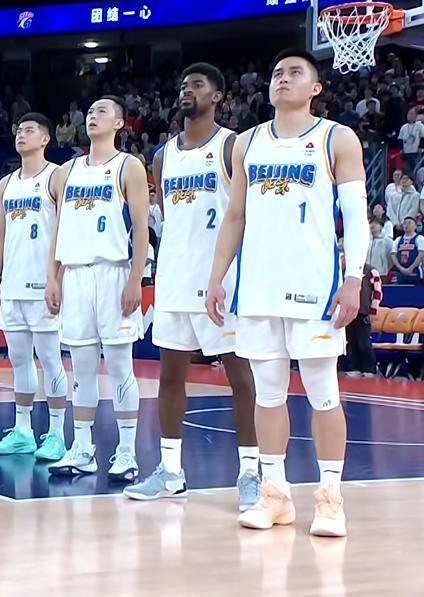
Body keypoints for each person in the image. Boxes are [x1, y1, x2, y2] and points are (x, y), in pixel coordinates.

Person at [206, 49, 368, 538]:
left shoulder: (337, 138)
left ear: (315, 88)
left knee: (323, 393)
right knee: (268, 395)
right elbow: (235, 216)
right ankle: (275, 494)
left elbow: (355, 217)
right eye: (277, 72)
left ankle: (331, 497)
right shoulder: (247, 142)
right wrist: (216, 277)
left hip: (315, 288)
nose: (283, 78)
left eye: (295, 73)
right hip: (258, 288)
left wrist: (354, 278)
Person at [126, 64, 258, 505]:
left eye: (197, 85)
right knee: (170, 377)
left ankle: (251, 473)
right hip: (174, 279)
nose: (187, 90)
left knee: (240, 377)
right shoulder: (162, 156)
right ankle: (170, 471)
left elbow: (243, 213)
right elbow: (169, 215)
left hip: (220, 281)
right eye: (183, 85)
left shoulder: (232, 146)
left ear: (218, 96)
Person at [44, 96, 150, 480]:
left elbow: (141, 228)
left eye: (102, 111)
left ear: (120, 123)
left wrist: (135, 279)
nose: (92, 116)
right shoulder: (65, 172)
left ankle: (127, 452)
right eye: (89, 111)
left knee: (120, 366)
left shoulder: (128, 166)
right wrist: (53, 276)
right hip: (74, 274)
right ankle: (82, 448)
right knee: (82, 368)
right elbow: (59, 228)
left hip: (113, 272)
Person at [0, 113, 69, 461]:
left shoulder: (56, 176)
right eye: (19, 130)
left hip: (43, 283)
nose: (21, 135)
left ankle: (57, 433)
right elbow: (0, 234)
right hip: (13, 284)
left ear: (45, 139)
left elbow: (63, 230)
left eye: (29, 130)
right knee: (19, 360)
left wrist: (55, 277)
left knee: (50, 359)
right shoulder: (6, 183)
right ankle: (23, 431)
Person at [392, 217, 424, 285]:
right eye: (405, 223)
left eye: (409, 223)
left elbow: (421, 254)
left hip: (415, 271)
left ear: (415, 226)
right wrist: (400, 268)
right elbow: (393, 255)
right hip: (401, 272)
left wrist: (411, 268)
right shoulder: (398, 239)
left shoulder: (420, 238)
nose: (406, 225)